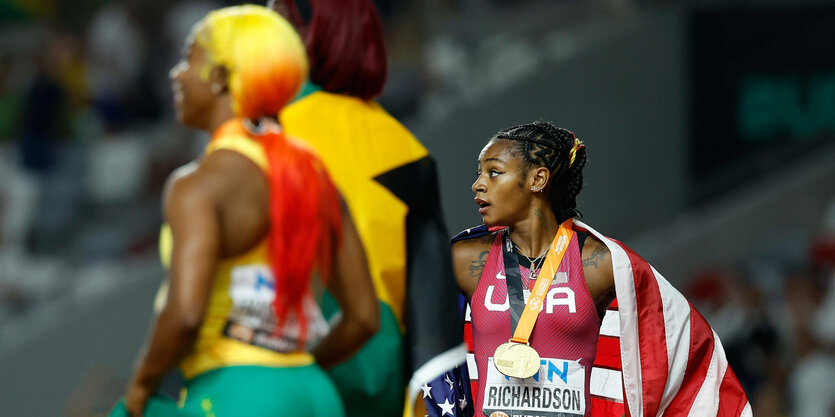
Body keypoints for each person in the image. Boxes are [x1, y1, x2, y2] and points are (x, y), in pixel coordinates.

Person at [111, 5, 378, 416]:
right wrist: (295, 372)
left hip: (235, 390)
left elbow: (184, 313)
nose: (176, 73)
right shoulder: (314, 174)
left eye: (188, 58)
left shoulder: (199, 184)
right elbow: (363, 318)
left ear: (219, 77)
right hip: (316, 393)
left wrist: (141, 384)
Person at [451, 121, 751, 417]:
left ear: (538, 180)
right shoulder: (466, 260)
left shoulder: (601, 263)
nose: (478, 184)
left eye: (494, 173)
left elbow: (681, 340)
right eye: (480, 174)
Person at [268, 1, 467, 416]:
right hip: (398, 392)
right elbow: (435, 321)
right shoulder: (403, 146)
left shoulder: (260, 146)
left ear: (299, 34)